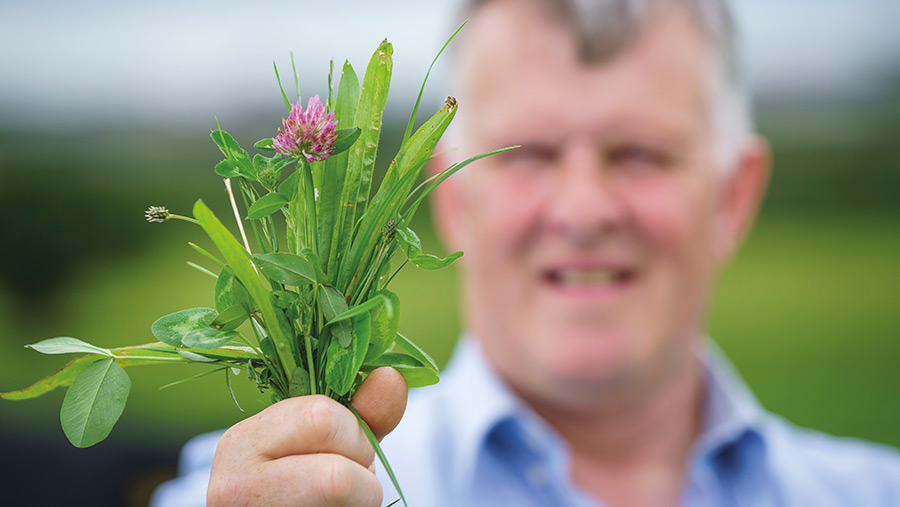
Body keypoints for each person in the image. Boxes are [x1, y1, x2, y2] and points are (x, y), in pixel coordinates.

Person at [152, 0, 900, 505]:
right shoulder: (283, 488)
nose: (583, 210)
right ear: (448, 197)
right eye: (528, 153)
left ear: (732, 196)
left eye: (639, 153)